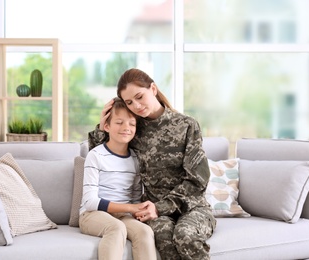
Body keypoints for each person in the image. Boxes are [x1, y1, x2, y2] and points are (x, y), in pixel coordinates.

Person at [88, 68, 217, 260]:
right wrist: (101, 126)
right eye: (130, 102)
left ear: (153, 89)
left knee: (185, 236)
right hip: (154, 213)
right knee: (162, 237)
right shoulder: (133, 129)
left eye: (140, 96)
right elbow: (103, 156)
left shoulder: (187, 125)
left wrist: (160, 207)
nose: (137, 106)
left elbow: (197, 180)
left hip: (191, 207)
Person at [79, 97, 156, 260]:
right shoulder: (95, 155)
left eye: (131, 124)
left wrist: (138, 210)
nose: (126, 128)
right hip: (92, 214)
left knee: (145, 231)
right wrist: (130, 208)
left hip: (123, 215)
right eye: (119, 122)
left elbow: (134, 197)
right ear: (106, 126)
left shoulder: (135, 159)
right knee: (116, 228)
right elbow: (90, 202)